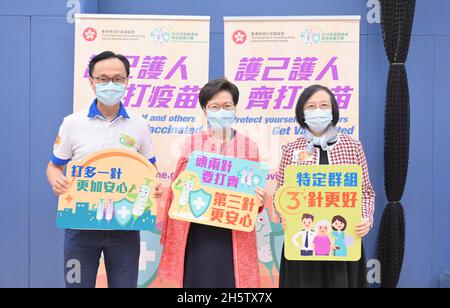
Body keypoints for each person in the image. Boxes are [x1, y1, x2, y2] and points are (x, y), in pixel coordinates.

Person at [46, 51, 161, 288]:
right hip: (80, 227)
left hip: (124, 227)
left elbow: (150, 169)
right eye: (103, 78)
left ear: (127, 81)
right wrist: (55, 179)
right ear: (91, 82)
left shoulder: (139, 125)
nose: (111, 84)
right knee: (76, 285)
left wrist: (154, 184)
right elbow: (54, 166)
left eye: (118, 79)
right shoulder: (72, 123)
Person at [158, 78, 267, 288]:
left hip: (234, 230)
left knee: (232, 281)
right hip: (198, 227)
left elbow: (255, 194)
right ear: (205, 110)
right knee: (199, 280)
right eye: (214, 106)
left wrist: (259, 200)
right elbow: (178, 189)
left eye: (227, 106)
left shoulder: (248, 146)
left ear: (235, 108)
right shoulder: (194, 143)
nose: (221, 111)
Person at [276, 84, 375, 288]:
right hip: (303, 241)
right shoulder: (291, 149)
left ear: (333, 110)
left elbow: (366, 192)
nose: (318, 111)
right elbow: (281, 194)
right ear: (302, 113)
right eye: (311, 106)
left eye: (323, 105)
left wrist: (365, 218)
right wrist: (285, 216)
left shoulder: (352, 146)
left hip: (343, 241)